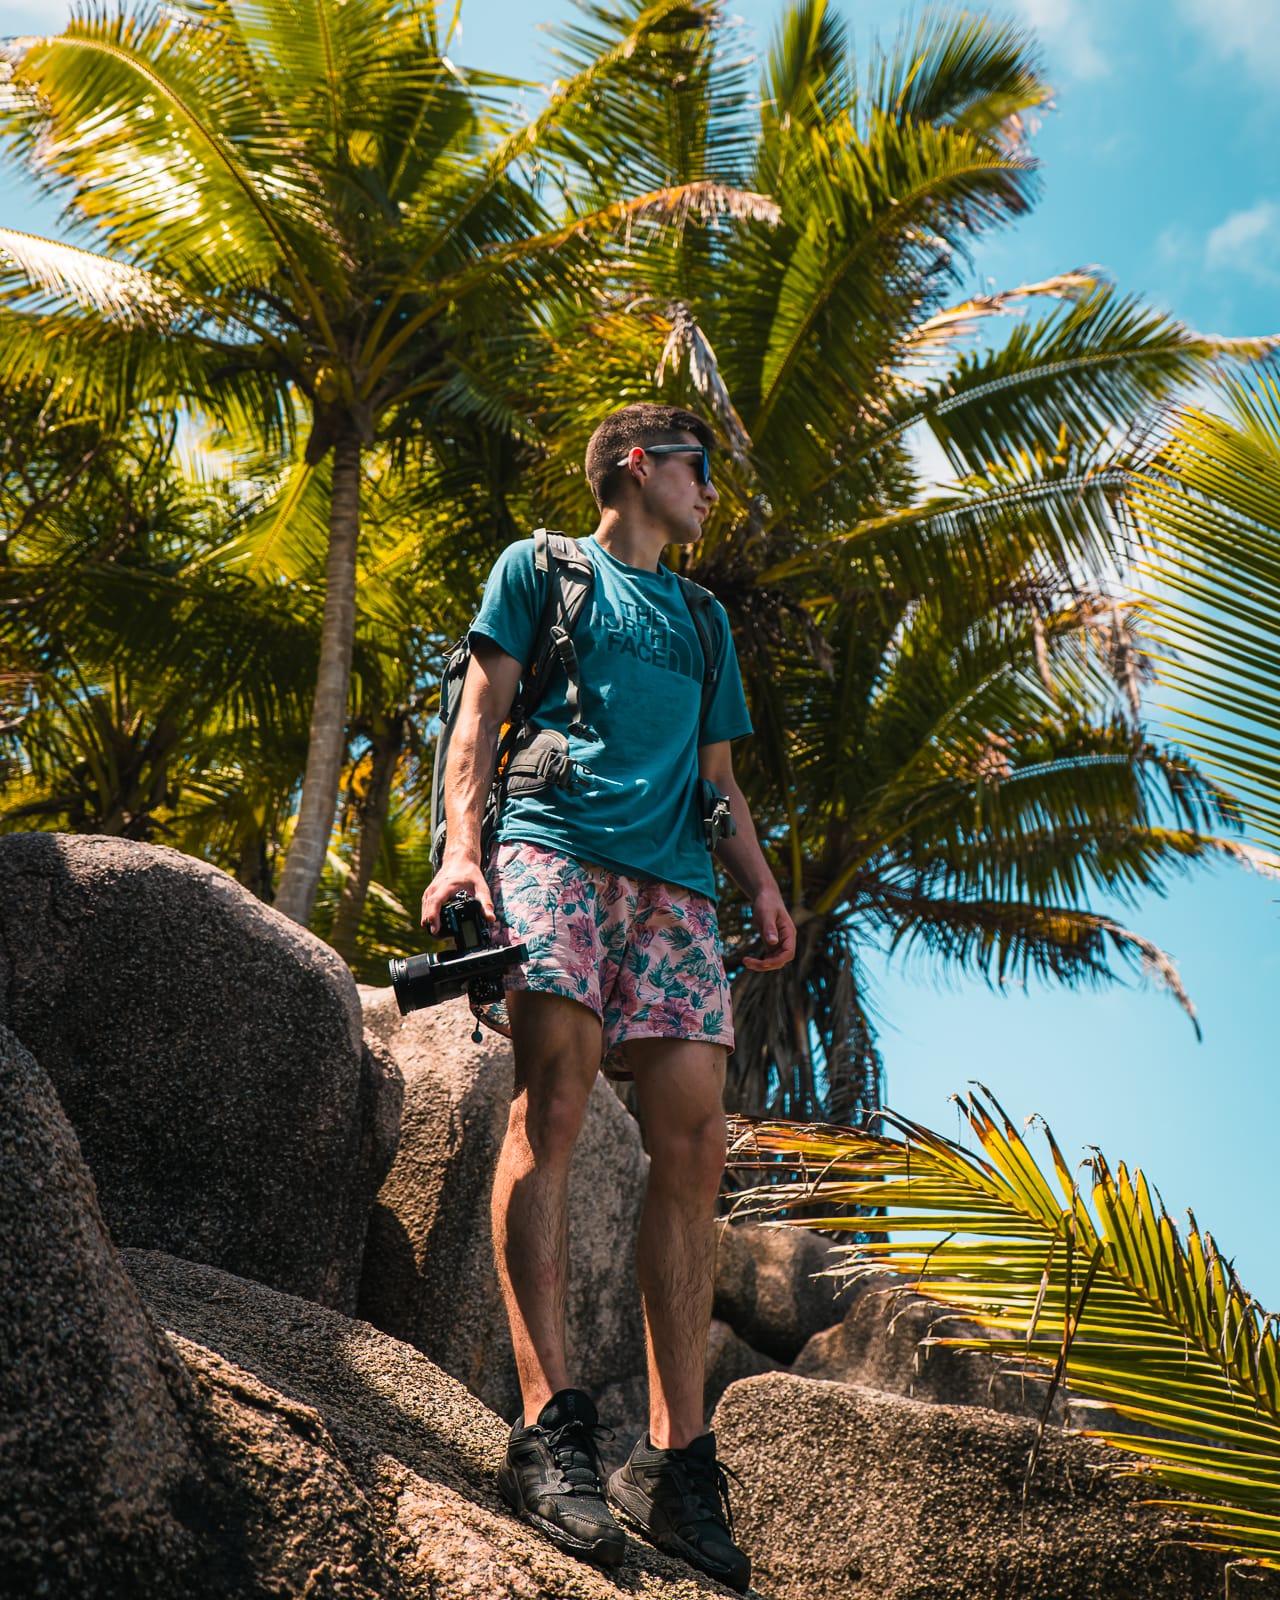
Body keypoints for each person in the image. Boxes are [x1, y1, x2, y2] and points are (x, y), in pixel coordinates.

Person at [421, 402, 796, 1592]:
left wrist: (762, 884)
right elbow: (475, 723)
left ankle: (673, 1461)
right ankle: (547, 1423)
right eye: (695, 470)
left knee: (693, 1137)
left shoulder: (701, 616)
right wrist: (459, 854)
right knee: (558, 1099)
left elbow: (717, 778)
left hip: (676, 889)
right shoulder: (541, 569)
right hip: (551, 850)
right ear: (638, 467)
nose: (707, 494)